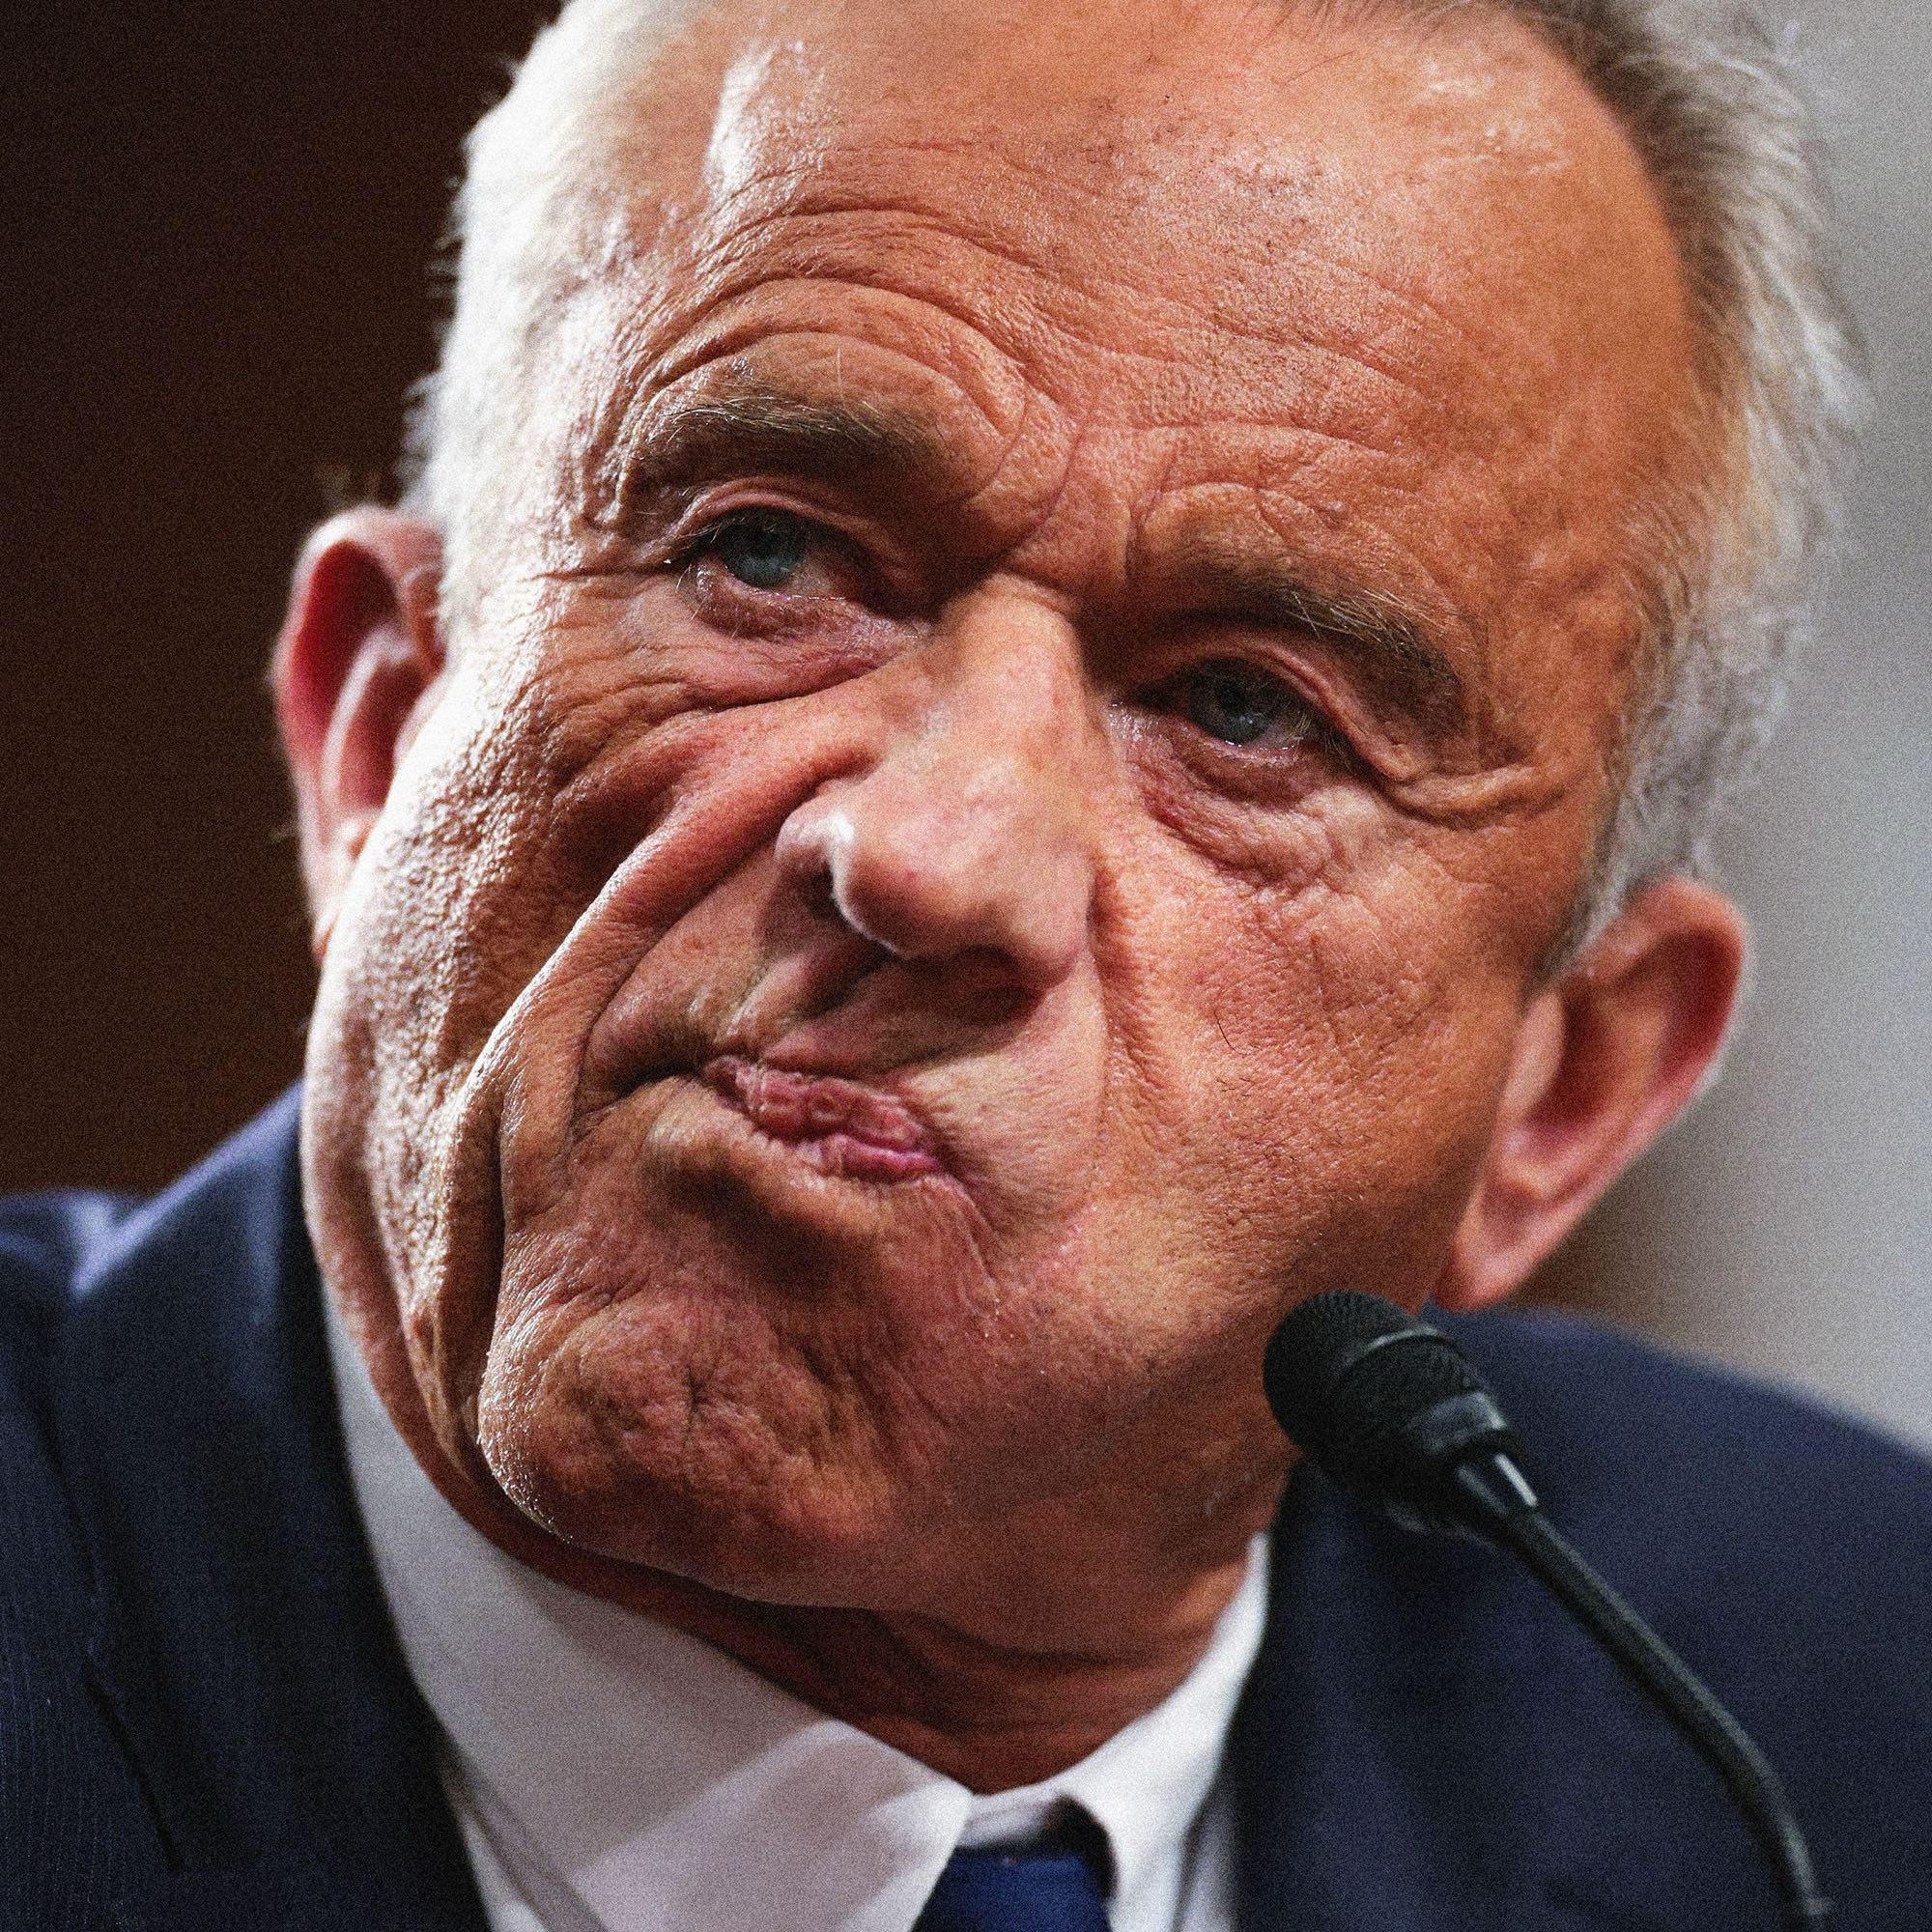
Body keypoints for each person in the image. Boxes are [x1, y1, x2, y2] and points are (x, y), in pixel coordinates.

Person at [5, 0, 1929, 1926]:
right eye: (768, 559)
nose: (928, 861)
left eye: (1245, 711)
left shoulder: (1850, 1718)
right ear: (377, 732)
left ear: (1561, 1096)